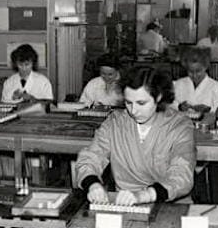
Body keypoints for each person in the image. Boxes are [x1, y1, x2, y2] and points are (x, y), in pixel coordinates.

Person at [76, 67, 196, 205]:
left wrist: (144, 195)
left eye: (141, 103)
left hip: (170, 203)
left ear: (159, 97)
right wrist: (93, 185)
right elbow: (91, 157)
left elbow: (182, 174)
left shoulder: (179, 126)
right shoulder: (115, 123)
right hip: (124, 202)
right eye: (128, 102)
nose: (133, 111)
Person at [173, 47, 218, 114]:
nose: (194, 75)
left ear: (205, 67)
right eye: (191, 71)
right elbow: (168, 105)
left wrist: (209, 110)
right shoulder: (178, 85)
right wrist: (179, 107)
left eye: (198, 71)